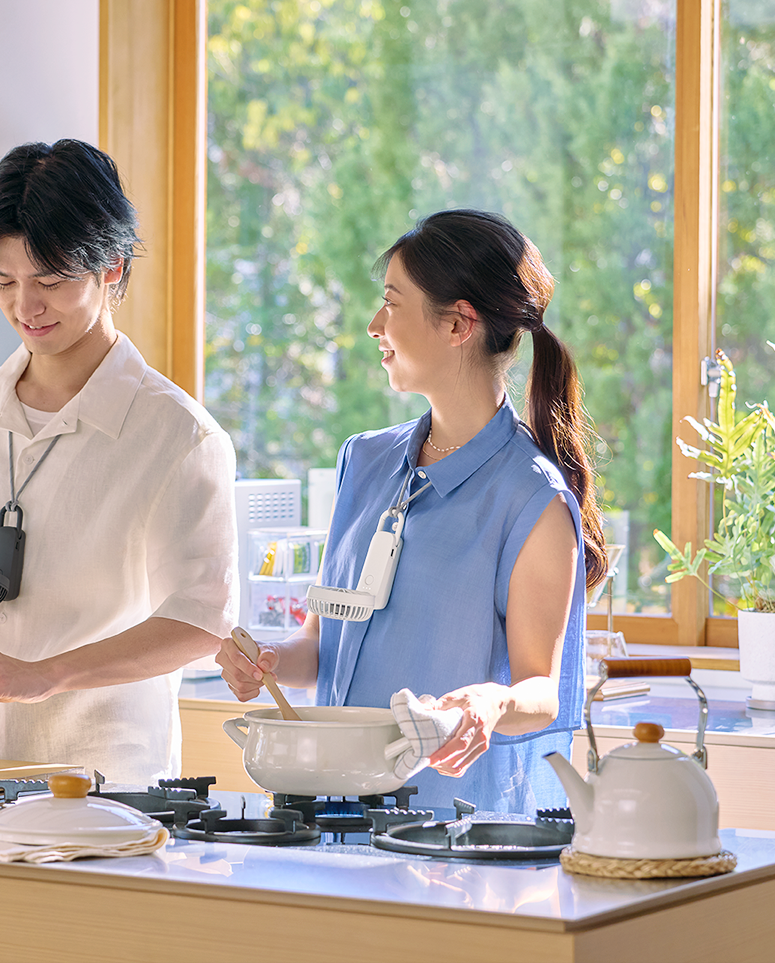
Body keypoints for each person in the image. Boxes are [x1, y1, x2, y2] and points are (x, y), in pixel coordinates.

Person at [0, 139, 238, 785]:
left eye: (51, 282)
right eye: (3, 282)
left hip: (102, 789)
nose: (25, 307)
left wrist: (43, 675)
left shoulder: (179, 438)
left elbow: (200, 622)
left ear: (112, 268)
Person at [218, 209, 606, 814]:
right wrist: (267, 661)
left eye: (392, 303)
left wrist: (489, 704)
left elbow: (542, 691)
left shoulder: (531, 499)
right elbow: (321, 643)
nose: (375, 325)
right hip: (333, 814)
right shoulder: (363, 462)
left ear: (458, 323)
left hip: (453, 830)